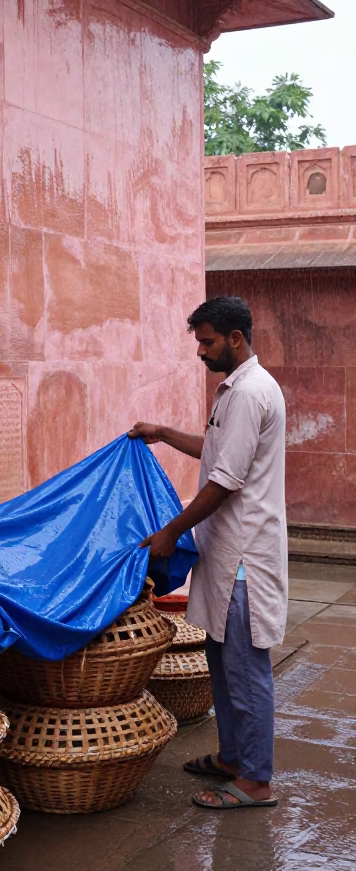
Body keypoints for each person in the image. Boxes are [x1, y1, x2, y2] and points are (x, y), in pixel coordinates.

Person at [128, 295, 286, 811]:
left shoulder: (249, 393)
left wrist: (170, 532)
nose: (201, 351)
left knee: (245, 669)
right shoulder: (234, 391)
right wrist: (163, 434)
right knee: (221, 662)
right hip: (226, 556)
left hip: (245, 559)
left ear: (235, 339)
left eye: (207, 341)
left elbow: (225, 479)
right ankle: (232, 759)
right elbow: (217, 450)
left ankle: (256, 781)